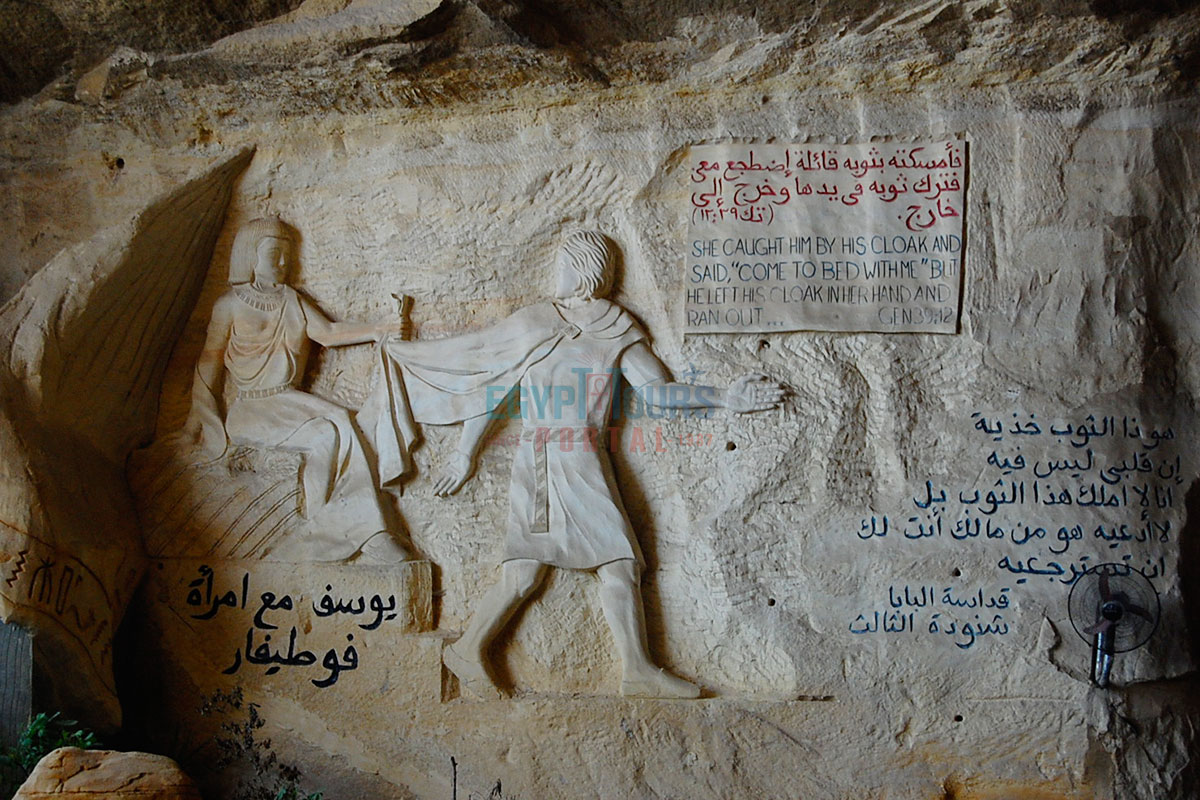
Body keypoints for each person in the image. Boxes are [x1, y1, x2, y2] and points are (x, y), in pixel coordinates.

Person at [364, 230, 784, 698]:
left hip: (585, 456)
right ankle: (480, 652)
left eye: (564, 264)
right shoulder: (535, 322)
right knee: (563, 566)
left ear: (584, 270)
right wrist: (465, 453)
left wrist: (726, 397)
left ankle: (627, 669)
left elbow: (658, 392)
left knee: (607, 563)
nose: (556, 274)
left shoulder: (617, 326)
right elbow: (493, 388)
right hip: (544, 456)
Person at [186, 216, 410, 563]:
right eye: (273, 253)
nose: (282, 263)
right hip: (251, 409)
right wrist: (198, 421)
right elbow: (209, 365)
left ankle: (371, 531)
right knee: (324, 435)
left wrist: (380, 328)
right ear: (249, 256)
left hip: (287, 399)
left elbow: (329, 333)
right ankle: (321, 531)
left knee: (343, 419)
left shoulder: (290, 299)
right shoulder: (228, 305)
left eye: (287, 255)